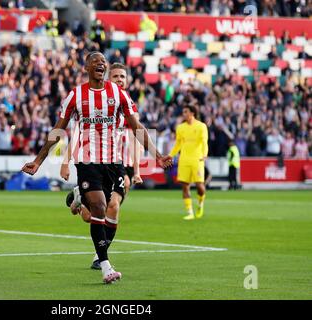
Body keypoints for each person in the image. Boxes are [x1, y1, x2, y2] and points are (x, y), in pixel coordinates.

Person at [22, 52, 172, 284]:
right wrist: (38, 161)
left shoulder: (118, 94)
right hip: (88, 161)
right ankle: (105, 265)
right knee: (100, 207)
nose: (101, 64)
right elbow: (58, 130)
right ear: (86, 68)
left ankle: (79, 197)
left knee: (106, 209)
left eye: (104, 62)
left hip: (114, 163)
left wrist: (158, 156)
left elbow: (137, 127)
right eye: (95, 62)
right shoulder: (75, 95)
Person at [61, 62, 143, 270]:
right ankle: (81, 201)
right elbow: (79, 133)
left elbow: (136, 138)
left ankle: (100, 258)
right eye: (115, 76)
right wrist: (65, 161)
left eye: (123, 77)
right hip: (97, 162)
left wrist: (137, 170)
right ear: (108, 78)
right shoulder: (96, 102)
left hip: (121, 165)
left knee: (113, 208)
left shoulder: (129, 106)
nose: (119, 80)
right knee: (93, 216)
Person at [169, 104, 208, 220]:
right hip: (184, 159)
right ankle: (190, 212)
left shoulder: (201, 126)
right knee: (185, 186)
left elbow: (204, 142)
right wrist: (171, 155)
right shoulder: (180, 128)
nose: (184, 114)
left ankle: (201, 203)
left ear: (192, 113)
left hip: (197, 159)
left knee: (200, 186)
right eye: (183, 112)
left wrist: (204, 154)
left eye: (186, 112)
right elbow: (178, 144)